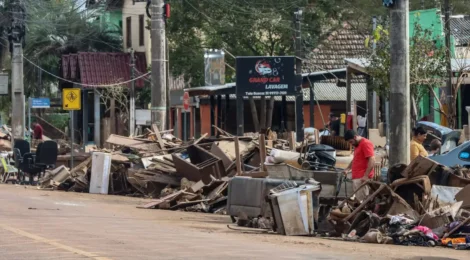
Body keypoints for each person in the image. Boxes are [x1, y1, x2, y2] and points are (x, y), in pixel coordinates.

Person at [343, 130, 376, 202]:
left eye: (351, 142)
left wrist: (366, 176)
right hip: (358, 178)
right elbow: (356, 159)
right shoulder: (357, 145)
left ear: (355, 137)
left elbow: (372, 160)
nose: (351, 144)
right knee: (359, 200)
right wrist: (348, 168)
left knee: (363, 201)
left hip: (362, 178)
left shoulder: (365, 143)